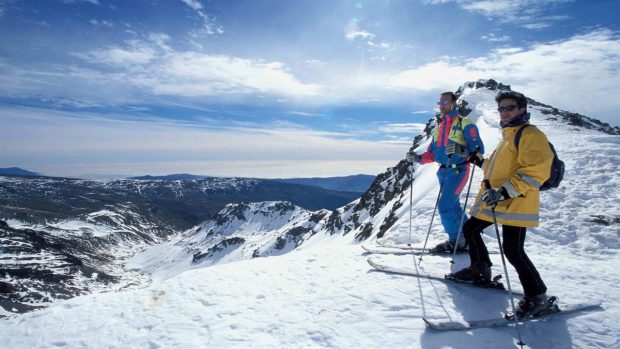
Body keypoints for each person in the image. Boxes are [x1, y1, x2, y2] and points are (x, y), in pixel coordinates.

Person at [448, 90, 554, 318]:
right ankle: (480, 268)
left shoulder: (530, 135)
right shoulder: (508, 136)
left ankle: (537, 297)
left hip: (515, 202)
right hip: (497, 199)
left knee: (513, 251)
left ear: (522, 109)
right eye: (502, 108)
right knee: (470, 228)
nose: (505, 112)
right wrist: (471, 157)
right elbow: (495, 168)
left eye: (510, 108)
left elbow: (536, 170)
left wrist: (506, 191)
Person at [407, 92, 485, 253]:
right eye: (440, 102)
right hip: (443, 172)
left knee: (445, 206)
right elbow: (433, 154)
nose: (442, 105)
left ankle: (456, 240)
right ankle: (469, 236)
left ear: (454, 103)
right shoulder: (439, 128)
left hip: (459, 171)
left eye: (445, 101)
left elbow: (478, 150)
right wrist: (417, 158)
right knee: (453, 206)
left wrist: (462, 150)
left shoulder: (465, 124)